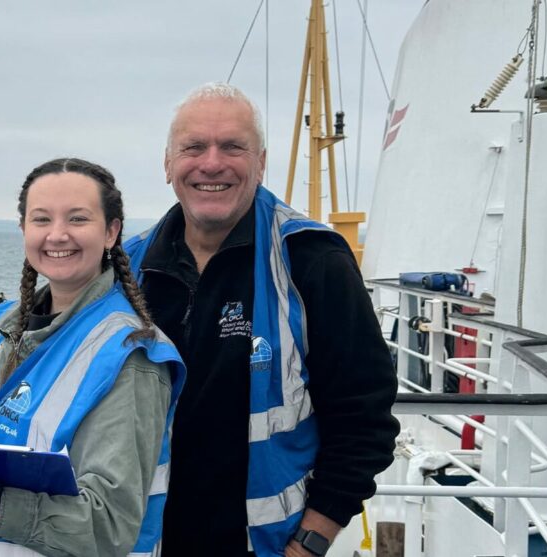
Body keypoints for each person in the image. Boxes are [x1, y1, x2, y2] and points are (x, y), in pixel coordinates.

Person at [122, 83, 400, 557]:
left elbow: (364, 416)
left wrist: (310, 542)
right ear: (167, 164)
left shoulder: (311, 262)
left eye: (233, 146)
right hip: (145, 543)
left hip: (266, 545)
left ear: (261, 161)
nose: (212, 163)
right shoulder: (128, 268)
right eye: (193, 147)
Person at [0, 158, 186, 556]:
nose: (58, 235)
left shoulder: (130, 353)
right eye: (41, 219)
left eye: (78, 219)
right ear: (23, 229)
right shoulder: (1, 327)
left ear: (111, 232)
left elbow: (109, 525)